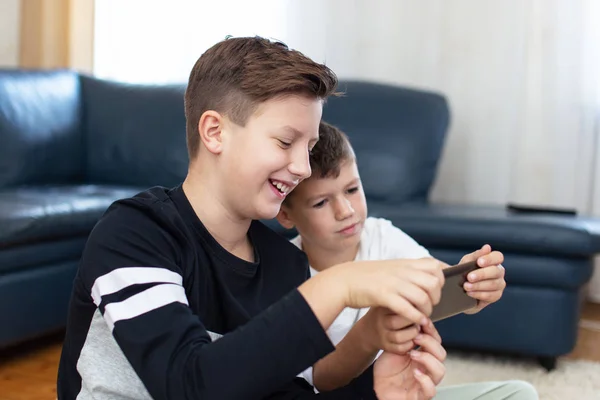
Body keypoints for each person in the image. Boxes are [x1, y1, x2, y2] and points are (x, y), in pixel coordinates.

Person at [56, 36, 451, 400]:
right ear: (214, 132)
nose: (303, 168)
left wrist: (375, 392)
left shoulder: (283, 262)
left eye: (309, 148)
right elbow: (187, 384)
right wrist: (336, 286)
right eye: (285, 141)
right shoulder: (135, 234)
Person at [276, 121, 539, 399]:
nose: (346, 211)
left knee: (519, 393)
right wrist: (369, 336)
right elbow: (320, 379)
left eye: (352, 189)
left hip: (407, 393)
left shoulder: (380, 234)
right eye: (321, 203)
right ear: (286, 215)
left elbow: (437, 279)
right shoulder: (283, 276)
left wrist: (473, 284)